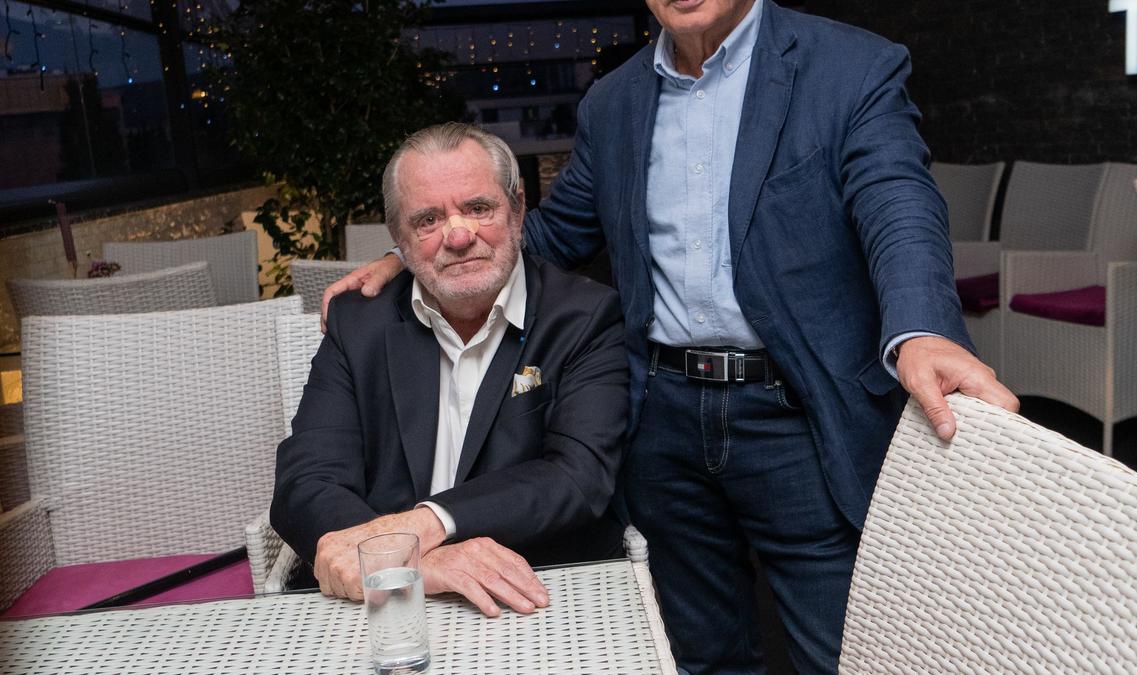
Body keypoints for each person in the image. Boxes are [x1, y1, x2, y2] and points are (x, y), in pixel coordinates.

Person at [322, 1, 1019, 672]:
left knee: (840, 652)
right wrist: (415, 258)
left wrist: (922, 329)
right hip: (663, 418)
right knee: (702, 652)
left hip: (798, 412)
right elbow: (552, 234)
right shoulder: (614, 101)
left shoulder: (848, 67)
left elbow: (897, 203)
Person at [271, 123, 629, 617]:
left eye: (479, 208)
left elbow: (578, 475)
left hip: (534, 596)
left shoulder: (585, 318)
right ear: (398, 237)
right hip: (382, 606)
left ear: (517, 209)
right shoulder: (359, 324)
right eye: (428, 219)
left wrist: (427, 525)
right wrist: (411, 562)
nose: (459, 236)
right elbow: (306, 482)